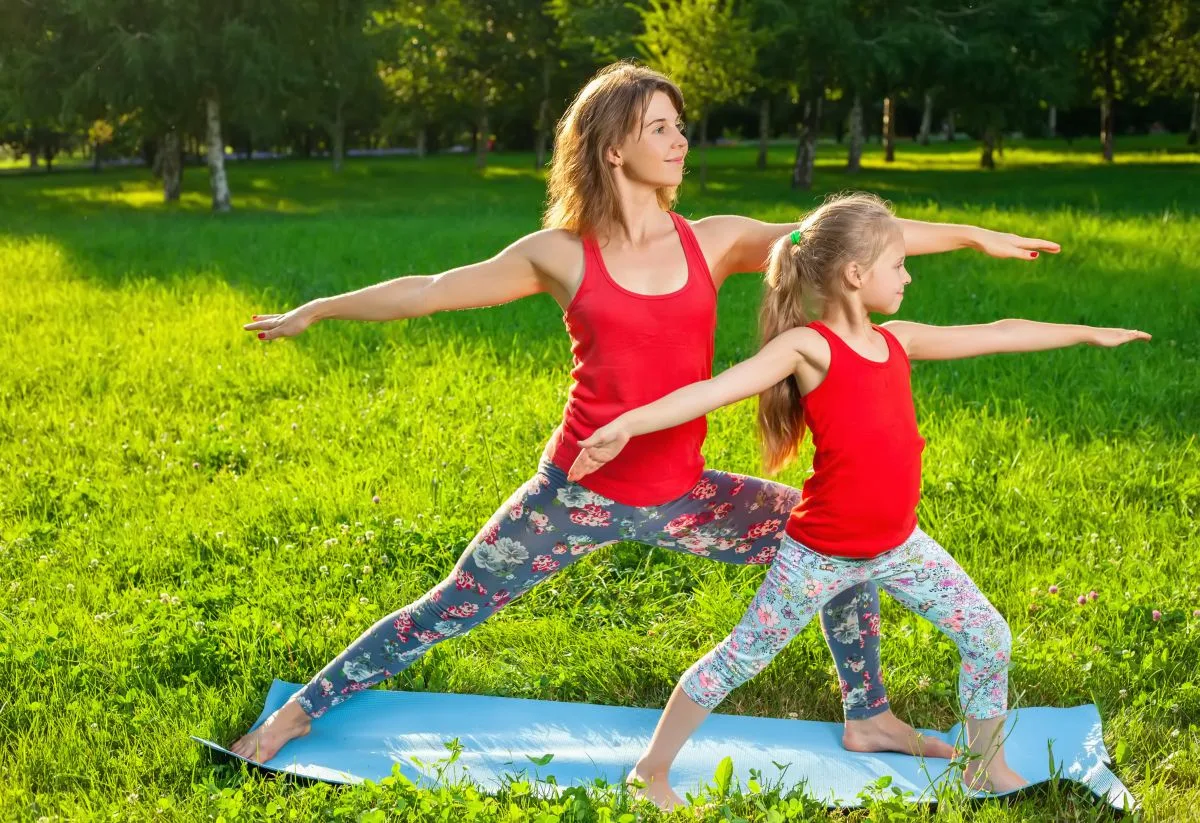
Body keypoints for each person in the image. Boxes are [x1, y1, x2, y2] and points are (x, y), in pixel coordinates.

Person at [231, 62, 1060, 764]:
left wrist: (972, 233)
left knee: (837, 538)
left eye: (681, 125)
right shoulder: (559, 254)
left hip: (685, 493)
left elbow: (848, 238)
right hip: (574, 494)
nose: (680, 140)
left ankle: (867, 713)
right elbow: (433, 290)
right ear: (614, 146)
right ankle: (302, 710)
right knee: (449, 604)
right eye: (661, 127)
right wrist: (319, 309)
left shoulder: (715, 240)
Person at [566, 191, 1148, 807]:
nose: (908, 274)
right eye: (898, 264)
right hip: (820, 555)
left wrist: (1088, 333)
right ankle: (651, 769)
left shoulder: (898, 340)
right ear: (854, 275)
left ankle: (983, 768)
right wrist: (629, 424)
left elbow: (999, 333)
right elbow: (713, 390)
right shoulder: (809, 349)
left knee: (986, 633)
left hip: (900, 545)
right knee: (739, 658)